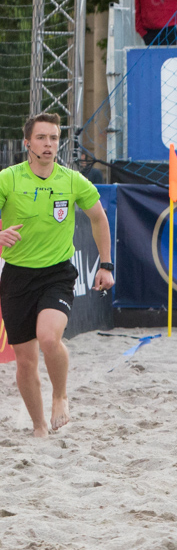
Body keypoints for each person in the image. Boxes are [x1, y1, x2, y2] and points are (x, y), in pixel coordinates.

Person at [0, 113, 110, 438]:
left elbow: (99, 219)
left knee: (49, 338)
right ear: (27, 143)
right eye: (41, 138)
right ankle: (38, 427)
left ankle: (60, 395)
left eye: (53, 138)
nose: (48, 144)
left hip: (57, 274)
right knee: (24, 361)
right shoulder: (8, 179)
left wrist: (107, 265)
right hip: (17, 276)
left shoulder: (73, 180)